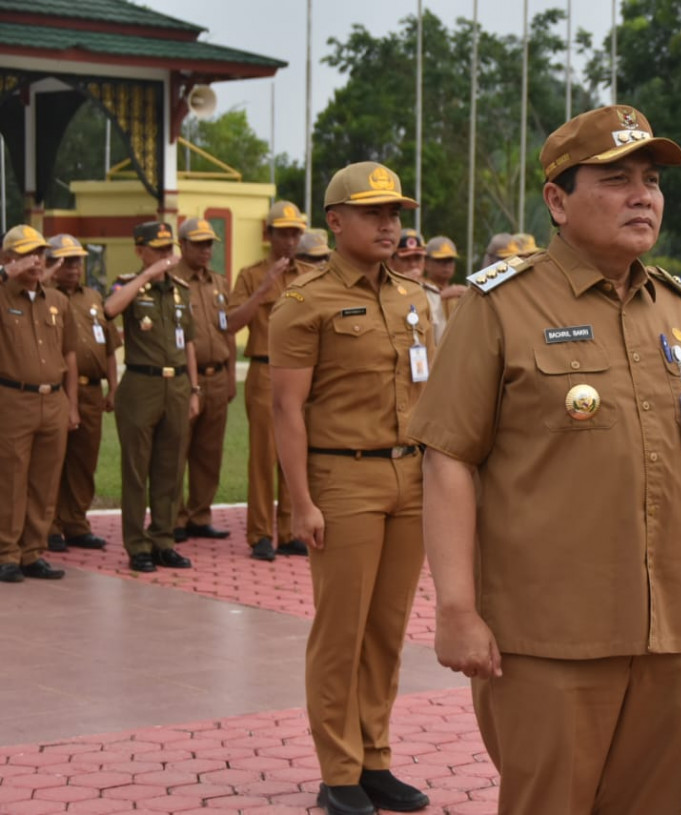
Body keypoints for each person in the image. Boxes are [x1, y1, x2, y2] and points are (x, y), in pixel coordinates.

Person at [407, 105, 681, 815]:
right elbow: (447, 461)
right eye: (617, 177)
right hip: (549, 640)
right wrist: (457, 608)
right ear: (558, 201)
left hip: (667, 635)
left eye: (651, 180)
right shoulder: (499, 306)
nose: (642, 195)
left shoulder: (679, 311)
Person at [270, 161, 433, 815]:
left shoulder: (415, 298)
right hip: (344, 478)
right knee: (342, 631)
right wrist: (301, 501)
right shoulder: (304, 302)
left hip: (411, 477)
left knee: (387, 631)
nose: (390, 224)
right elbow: (286, 410)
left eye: (395, 213)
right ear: (335, 221)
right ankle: (337, 769)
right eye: (374, 213)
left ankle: (375, 758)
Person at [104, 221, 199, 573]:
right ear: (140, 250)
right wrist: (146, 276)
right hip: (140, 385)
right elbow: (110, 309)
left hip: (175, 386)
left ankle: (163, 540)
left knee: (171, 468)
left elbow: (188, 341)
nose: (165, 256)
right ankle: (137, 545)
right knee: (136, 469)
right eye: (157, 249)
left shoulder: (180, 290)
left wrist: (194, 388)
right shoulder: (128, 284)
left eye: (168, 249)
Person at [228, 201, 309, 562]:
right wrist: (263, 288)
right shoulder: (249, 274)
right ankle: (261, 533)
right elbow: (229, 323)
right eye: (284, 232)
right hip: (265, 369)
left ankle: (291, 530)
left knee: (297, 451)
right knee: (263, 454)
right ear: (269, 235)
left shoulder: (310, 275)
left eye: (296, 233)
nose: (290, 240)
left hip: (303, 372)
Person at [0, 226, 78, 583]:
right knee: (11, 479)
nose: (36, 260)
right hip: (14, 399)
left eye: (40, 253)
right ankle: (6, 553)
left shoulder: (57, 300)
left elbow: (70, 354)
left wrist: (71, 404)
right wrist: (4, 275)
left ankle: (33, 551)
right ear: (9, 258)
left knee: (45, 481)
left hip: (53, 399)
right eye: (27, 253)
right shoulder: (3, 295)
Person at [47, 233, 117, 552]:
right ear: (52, 264)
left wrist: (112, 387)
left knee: (84, 460)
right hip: (57, 390)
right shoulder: (45, 296)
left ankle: (76, 522)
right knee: (54, 461)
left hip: (91, 390)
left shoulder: (93, 297)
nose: (74, 267)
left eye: (78, 261)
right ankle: (50, 526)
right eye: (67, 261)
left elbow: (110, 347)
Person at [173, 218, 236, 542]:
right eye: (199, 244)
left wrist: (231, 375)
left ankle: (200, 515)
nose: (206, 250)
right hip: (185, 378)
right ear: (181, 245)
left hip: (217, 373)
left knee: (209, 453)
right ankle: (175, 518)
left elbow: (227, 329)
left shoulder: (219, 283)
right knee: (177, 449)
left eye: (209, 243)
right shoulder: (172, 282)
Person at [422, 235, 466, 343]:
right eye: (440, 260)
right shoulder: (420, 287)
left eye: (450, 260)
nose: (446, 265)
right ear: (426, 263)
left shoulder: (460, 292)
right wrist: (441, 296)